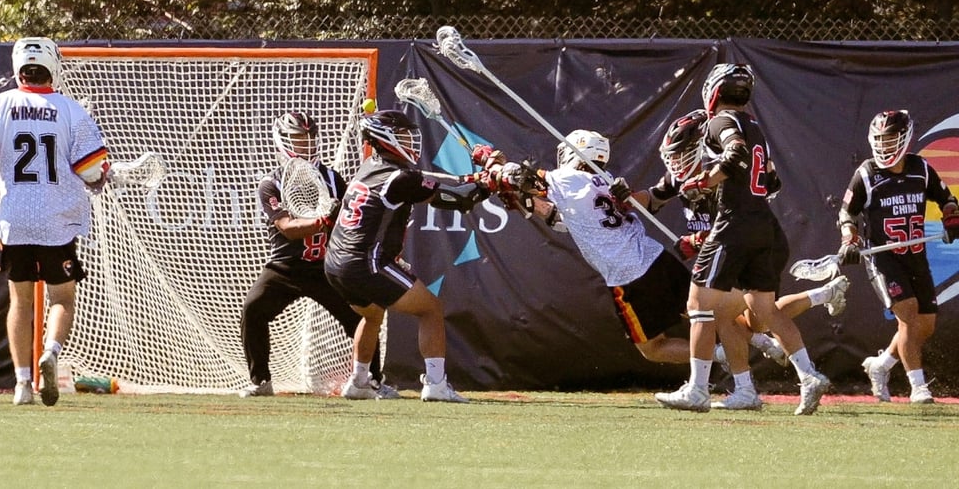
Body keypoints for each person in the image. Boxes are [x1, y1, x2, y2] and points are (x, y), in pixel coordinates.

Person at [655, 64, 830, 415]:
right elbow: (771, 181)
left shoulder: (722, 122)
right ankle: (807, 375)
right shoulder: (755, 126)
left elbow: (734, 155)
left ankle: (698, 389)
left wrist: (706, 180)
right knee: (763, 308)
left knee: (698, 304)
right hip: (763, 222)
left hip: (734, 222)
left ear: (714, 92)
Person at [0, 37, 109, 407]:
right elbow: (89, 171)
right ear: (53, 66)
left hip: (15, 219)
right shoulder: (72, 111)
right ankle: (50, 352)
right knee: (62, 299)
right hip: (57, 219)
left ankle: (22, 384)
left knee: (20, 300)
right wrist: (100, 176)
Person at [476, 130, 707, 367]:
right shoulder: (604, 179)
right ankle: (743, 347)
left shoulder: (566, 178)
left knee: (653, 347)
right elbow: (565, 221)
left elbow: (518, 176)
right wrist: (528, 203)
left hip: (628, 275)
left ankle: (721, 356)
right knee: (708, 314)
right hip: (656, 258)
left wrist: (491, 161)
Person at [324, 109, 489, 403]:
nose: (409, 141)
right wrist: (490, 183)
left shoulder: (370, 166)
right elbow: (460, 198)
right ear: (384, 138)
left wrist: (476, 177)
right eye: (401, 136)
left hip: (336, 263)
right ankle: (436, 384)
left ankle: (360, 381)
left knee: (372, 314)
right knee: (431, 309)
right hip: (365, 263)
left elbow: (395, 205)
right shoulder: (399, 177)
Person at [239, 111, 397, 400]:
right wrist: (324, 220)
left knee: (362, 316)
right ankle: (260, 381)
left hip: (326, 265)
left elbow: (357, 221)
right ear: (283, 141)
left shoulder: (333, 180)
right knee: (253, 310)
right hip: (286, 266)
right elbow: (287, 228)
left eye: (310, 138)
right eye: (298, 139)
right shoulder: (271, 183)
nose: (306, 145)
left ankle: (372, 381)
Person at [837, 109, 959, 404]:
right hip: (884, 259)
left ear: (905, 137)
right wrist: (849, 237)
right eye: (880, 139)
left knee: (925, 324)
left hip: (915, 255)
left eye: (891, 138)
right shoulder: (867, 173)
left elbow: (947, 199)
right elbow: (847, 212)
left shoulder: (921, 168)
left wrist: (951, 217)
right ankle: (919, 387)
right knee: (909, 316)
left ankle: (881, 365)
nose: (884, 145)